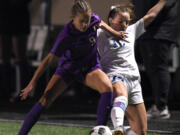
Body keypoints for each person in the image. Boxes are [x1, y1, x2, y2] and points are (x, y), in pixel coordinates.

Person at [17, 0, 127, 134]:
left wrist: (115, 34)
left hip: (90, 67)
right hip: (69, 69)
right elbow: (48, 60)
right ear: (73, 17)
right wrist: (32, 83)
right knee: (45, 99)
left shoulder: (93, 19)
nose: (85, 24)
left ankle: (100, 131)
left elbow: (100, 23)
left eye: (87, 20)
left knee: (107, 88)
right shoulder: (66, 35)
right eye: (81, 21)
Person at [97, 0, 168, 135]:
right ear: (110, 20)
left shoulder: (131, 30)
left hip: (135, 82)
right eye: (120, 21)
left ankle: (107, 133)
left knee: (141, 132)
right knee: (121, 95)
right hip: (115, 75)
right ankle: (118, 128)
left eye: (127, 22)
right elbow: (92, 20)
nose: (124, 25)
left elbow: (151, 16)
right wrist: (109, 30)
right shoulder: (101, 33)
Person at [134, 0, 179, 119]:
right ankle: (159, 106)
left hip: (159, 31)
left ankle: (161, 107)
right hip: (148, 31)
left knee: (158, 67)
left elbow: (157, 10)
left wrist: (138, 26)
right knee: (152, 68)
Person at [0, 0, 31, 99]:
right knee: (4, 57)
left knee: (20, 56)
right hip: (4, 14)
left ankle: (23, 92)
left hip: (19, 16)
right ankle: (5, 90)